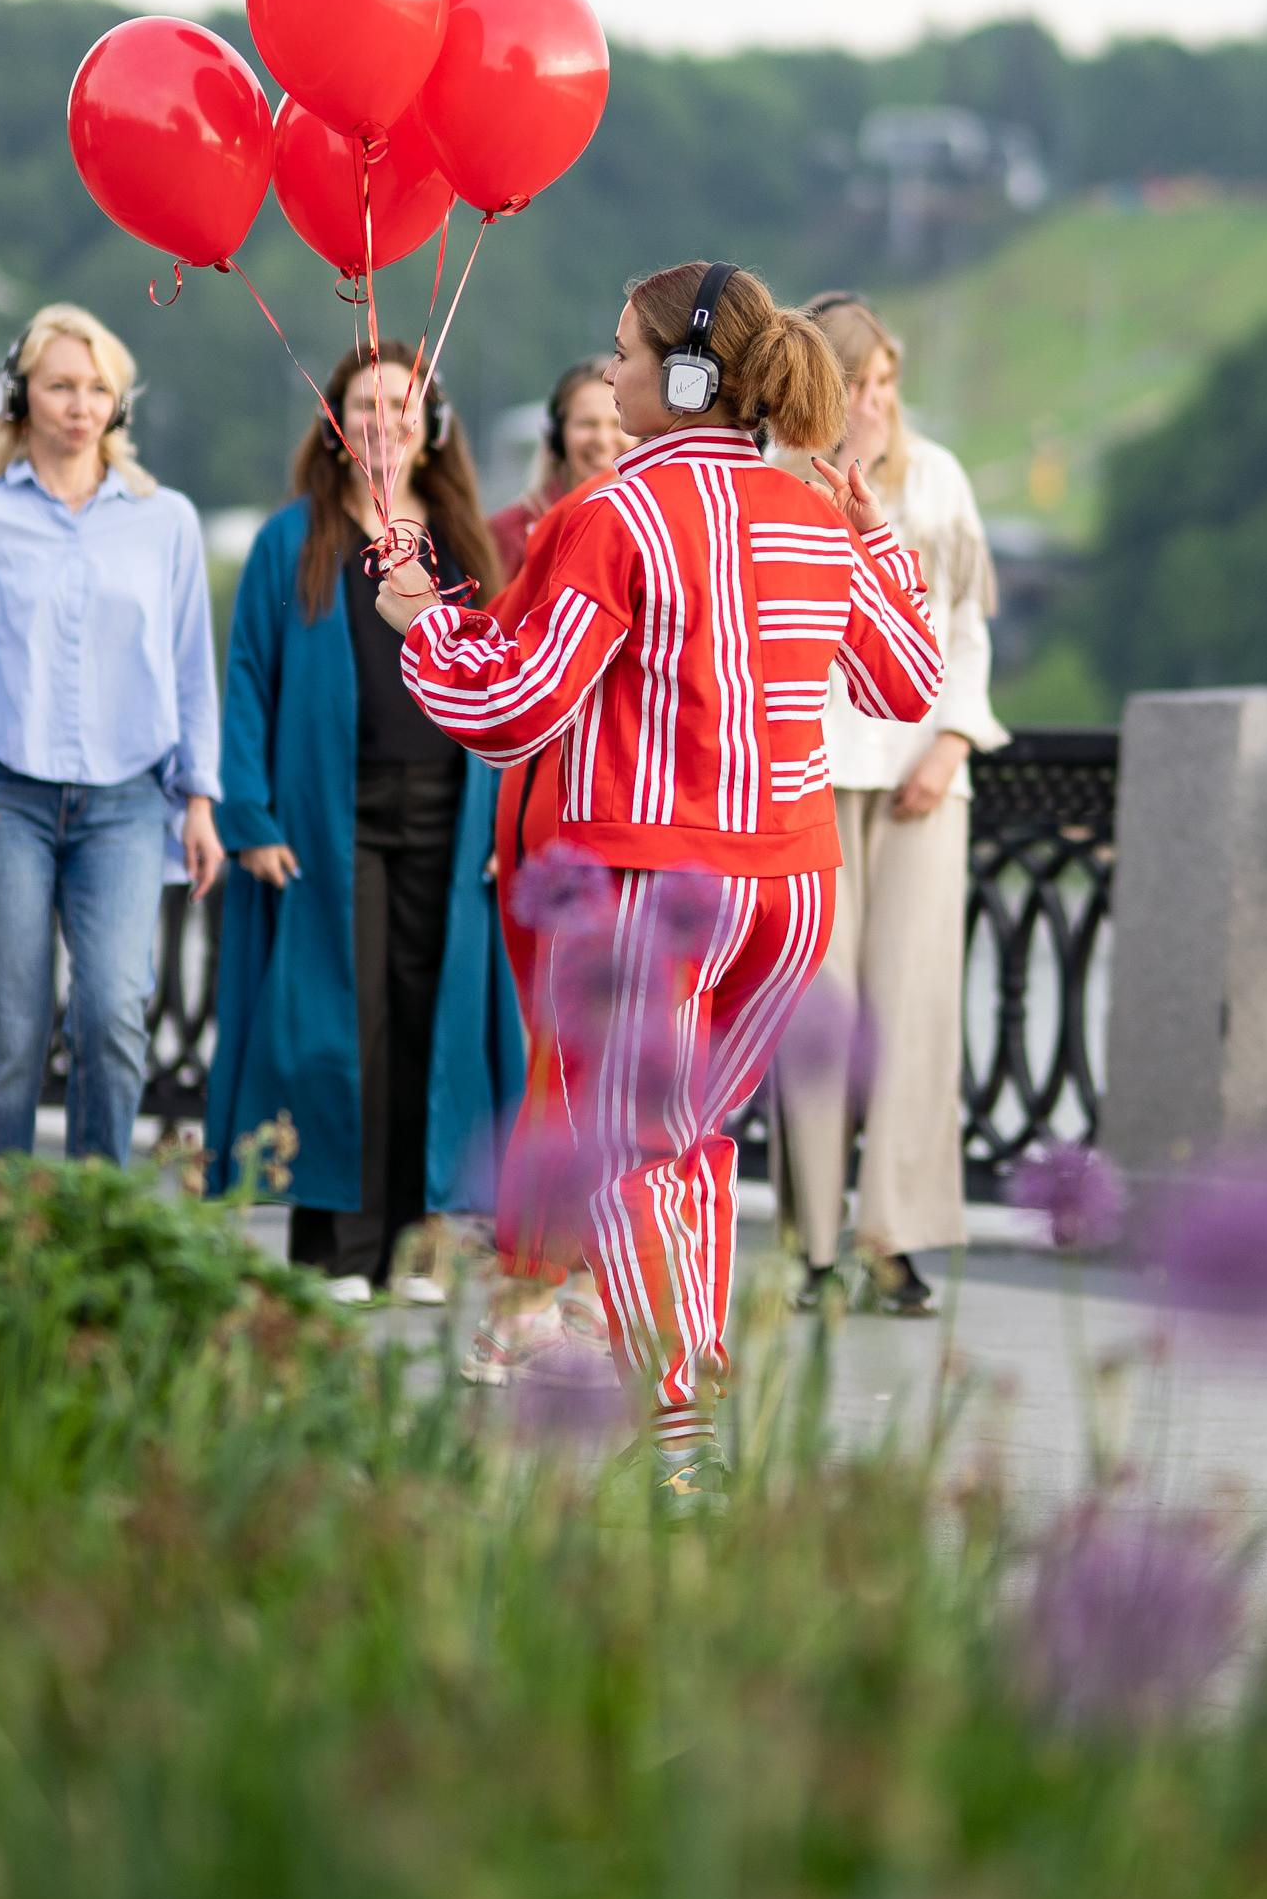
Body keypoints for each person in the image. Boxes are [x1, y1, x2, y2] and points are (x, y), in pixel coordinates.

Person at [380, 260, 943, 1492]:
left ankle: (677, 1432)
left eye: (626, 349)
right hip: (793, 890)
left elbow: (512, 709)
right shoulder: (810, 513)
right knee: (685, 1146)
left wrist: (422, 616)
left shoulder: (613, 517)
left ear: (688, 375)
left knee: (635, 1150)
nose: (615, 368)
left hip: (653, 881)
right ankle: (690, 1398)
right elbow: (908, 684)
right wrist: (872, 527)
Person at [205, 345, 523, 1290]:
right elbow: (249, 678)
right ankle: (339, 1250)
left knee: (435, 1020)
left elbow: (510, 688)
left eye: (402, 405)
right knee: (346, 1021)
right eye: (363, 406)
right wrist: (250, 813)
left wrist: (509, 824)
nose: (383, 421)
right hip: (327, 816)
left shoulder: (466, 543)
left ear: (433, 427)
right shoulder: (290, 541)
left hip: (449, 811)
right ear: (334, 427)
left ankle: (418, 1242)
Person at [0, 304, 221, 1165]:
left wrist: (200, 800)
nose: (81, 405)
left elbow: (193, 671)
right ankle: (1, 1239)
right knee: (8, 1033)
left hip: (126, 798)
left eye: (98, 388)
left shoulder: (168, 521)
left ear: (118, 404)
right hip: (0, 794)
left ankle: (98, 1224)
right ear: (19, 396)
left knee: (114, 1014)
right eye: (61, 386)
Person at [773, 292, 1006, 1316]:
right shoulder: (776, 482)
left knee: (910, 1010)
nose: (878, 402)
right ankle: (812, 1243)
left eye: (886, 384)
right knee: (815, 1015)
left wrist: (953, 739)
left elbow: (963, 630)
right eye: (859, 383)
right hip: (811, 773)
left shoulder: (938, 479)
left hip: (920, 776)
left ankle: (893, 1233)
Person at [489, 358, 621, 574]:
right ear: (558, 436)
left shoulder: (652, 529)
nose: (603, 440)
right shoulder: (507, 534)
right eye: (587, 423)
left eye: (617, 424)